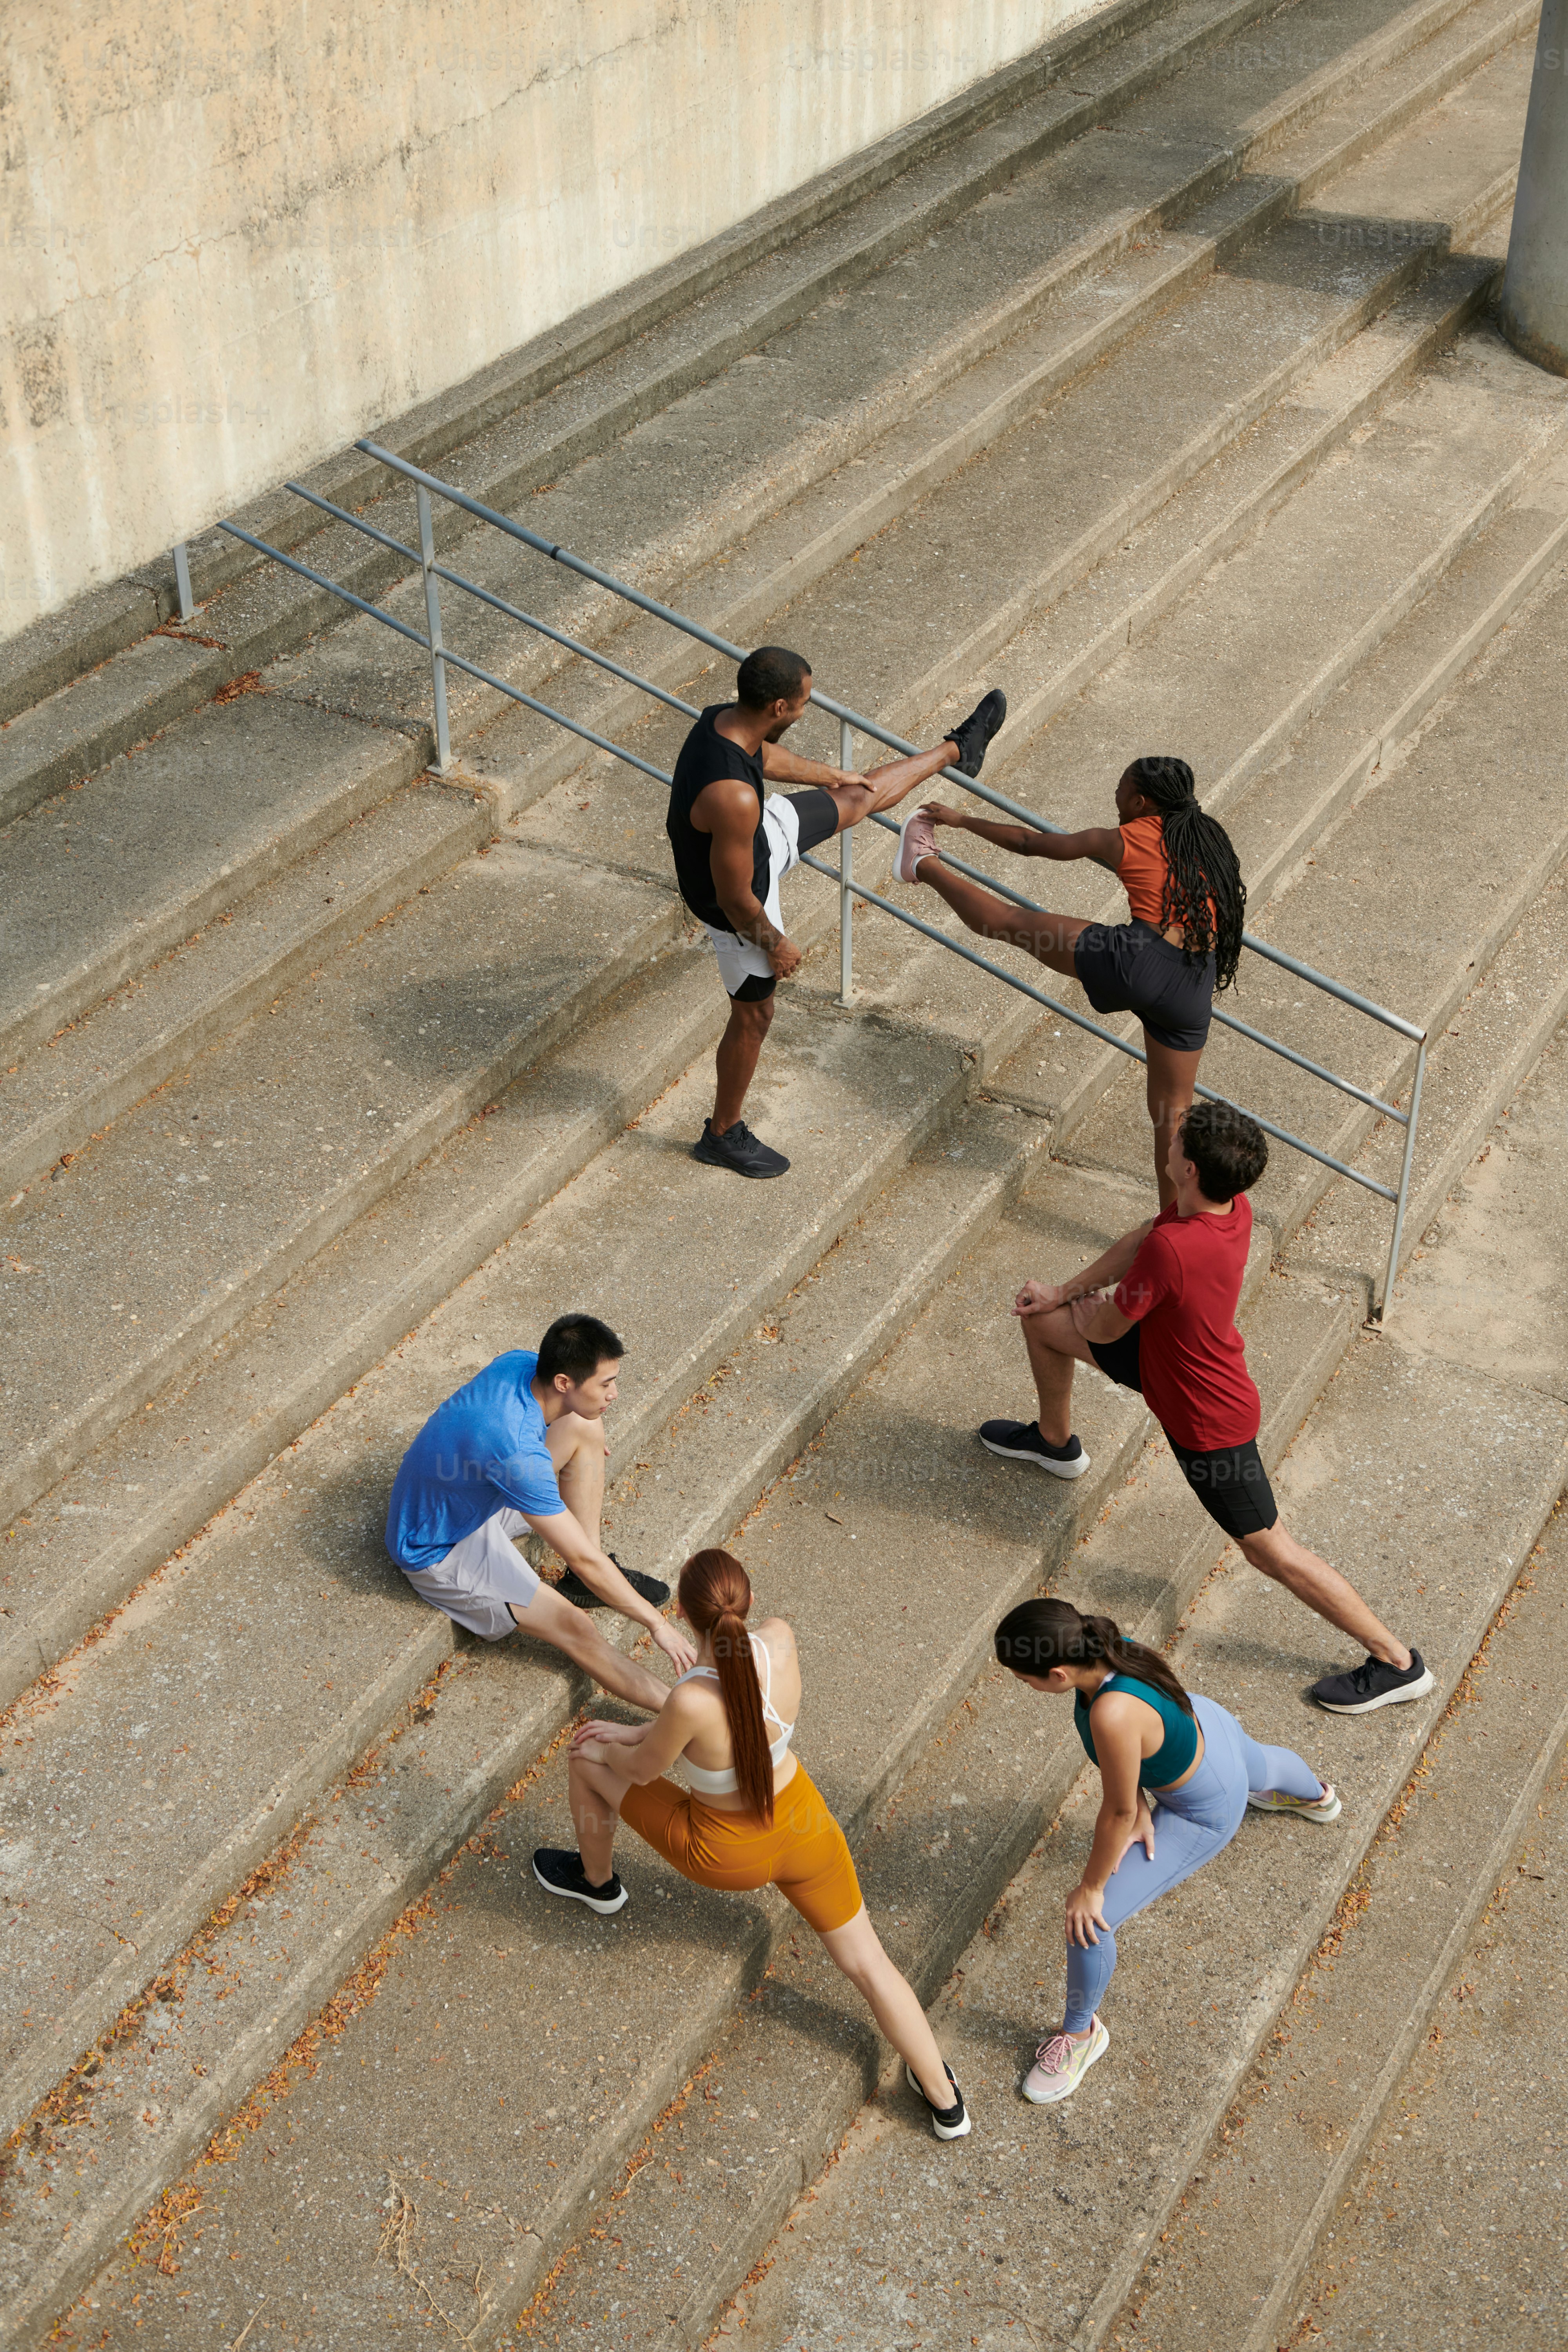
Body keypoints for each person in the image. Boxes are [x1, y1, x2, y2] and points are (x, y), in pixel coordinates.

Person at [978, 1102, 1432, 1716]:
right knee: (1047, 1322)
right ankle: (1055, 1442)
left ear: (1188, 1169)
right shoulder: (1227, 1205)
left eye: (1175, 1144)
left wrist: (1092, 1308)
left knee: (1267, 1548)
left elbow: (1111, 1328)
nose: (1166, 1145)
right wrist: (1063, 1293)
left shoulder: (1175, 1249)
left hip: (1206, 1418)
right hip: (1164, 1358)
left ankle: (1397, 1662)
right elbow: (1146, 1234)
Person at [534, 1547, 971, 2141]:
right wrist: (640, 1731)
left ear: (685, 1615)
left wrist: (612, 1742)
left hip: (726, 1850)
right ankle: (945, 2099)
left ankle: (597, 1883)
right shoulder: (780, 1641)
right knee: (870, 1965)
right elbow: (719, 1729)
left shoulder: (691, 1699)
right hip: (804, 1825)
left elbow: (640, 1770)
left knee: (586, 1758)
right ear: (750, 1603)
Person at [668, 644, 1007, 1177]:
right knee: (756, 1014)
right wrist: (775, 944)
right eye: (803, 704)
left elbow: (766, 758)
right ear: (779, 707)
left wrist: (829, 774)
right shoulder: (731, 797)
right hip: (738, 906)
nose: (805, 712)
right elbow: (736, 898)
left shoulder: (725, 722)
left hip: (757, 839)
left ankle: (958, 750)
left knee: (861, 793)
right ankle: (721, 1135)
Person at [995, 1596, 1340, 2104]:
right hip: (1211, 1726)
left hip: (1202, 1811)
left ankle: (1081, 2036)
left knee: (1090, 1926)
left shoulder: (1111, 1713)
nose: (1023, 1686)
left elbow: (1114, 1813)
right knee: (1262, 1767)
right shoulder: (1112, 1646)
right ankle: (1319, 1795)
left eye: (1024, 1679)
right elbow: (1127, 1764)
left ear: (1058, 1674)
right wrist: (1137, 1800)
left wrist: (1091, 1888)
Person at [895, 754, 1244, 1206]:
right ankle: (1176, 1224)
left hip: (1132, 962)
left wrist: (960, 820)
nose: (1114, 798)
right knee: (1171, 1114)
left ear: (1139, 801)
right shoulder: (1208, 839)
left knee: (1007, 920)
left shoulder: (1125, 835)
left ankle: (920, 863)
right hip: (1192, 986)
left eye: (1120, 790)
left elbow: (1028, 843)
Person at [385, 1312, 695, 1707]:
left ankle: (586, 1585)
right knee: (576, 1627)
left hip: (477, 1491)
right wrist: (656, 1624)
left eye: (613, 1380)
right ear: (564, 1382)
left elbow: (518, 1444)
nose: (614, 1393)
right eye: (605, 1383)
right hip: (437, 1546)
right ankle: (693, 1719)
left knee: (585, 1427)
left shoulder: (519, 1363)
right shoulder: (518, 1455)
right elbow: (581, 1556)